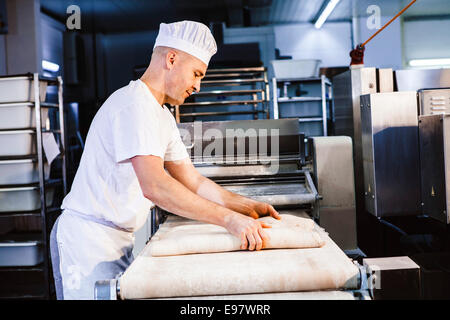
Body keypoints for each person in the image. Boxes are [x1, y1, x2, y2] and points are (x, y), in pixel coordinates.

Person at [50, 20, 280, 300]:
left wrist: (246, 206)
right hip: (86, 243)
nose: (197, 86)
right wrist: (230, 220)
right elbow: (155, 186)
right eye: (196, 74)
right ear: (172, 59)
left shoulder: (161, 116)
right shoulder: (133, 105)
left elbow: (193, 181)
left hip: (117, 240)